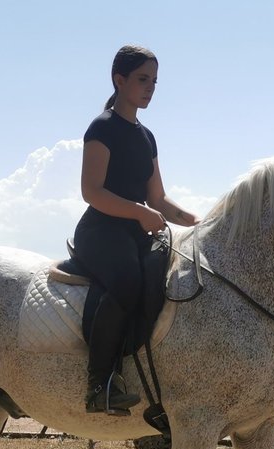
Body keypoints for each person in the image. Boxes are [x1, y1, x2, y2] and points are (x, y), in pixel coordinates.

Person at [75, 44, 198, 414]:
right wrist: (139, 213)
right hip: (101, 231)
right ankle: (100, 384)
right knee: (128, 281)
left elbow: (158, 199)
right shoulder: (102, 127)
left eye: (155, 81)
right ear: (119, 79)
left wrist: (197, 221)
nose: (151, 88)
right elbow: (91, 192)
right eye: (143, 79)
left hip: (134, 231)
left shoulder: (147, 137)